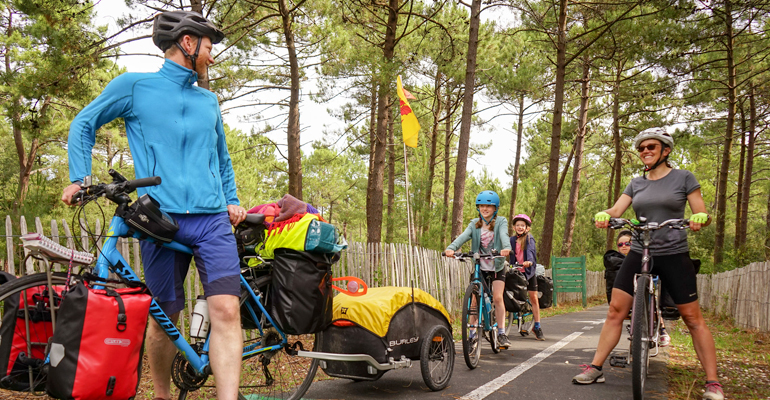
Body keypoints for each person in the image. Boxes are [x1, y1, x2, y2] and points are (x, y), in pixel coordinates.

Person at [61, 11, 245, 400]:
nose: (212, 56)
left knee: (227, 310)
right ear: (189, 43)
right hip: (159, 219)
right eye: (209, 47)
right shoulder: (134, 87)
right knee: (165, 318)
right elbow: (84, 123)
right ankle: (162, 395)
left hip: (211, 219)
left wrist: (231, 200)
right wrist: (80, 177)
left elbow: (221, 158)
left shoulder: (208, 101)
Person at [572, 127, 722, 400]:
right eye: (641, 148)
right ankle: (595, 367)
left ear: (665, 150)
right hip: (640, 251)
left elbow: (700, 210)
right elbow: (617, 210)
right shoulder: (636, 183)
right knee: (616, 310)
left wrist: (700, 218)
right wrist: (603, 215)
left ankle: (712, 382)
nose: (645, 151)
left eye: (651, 147)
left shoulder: (684, 178)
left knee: (692, 318)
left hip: (674, 252)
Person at [445, 191, 512, 349]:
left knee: (497, 298)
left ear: (495, 208)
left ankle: (501, 333)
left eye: (488, 206)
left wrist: (506, 248)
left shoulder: (501, 222)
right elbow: (463, 236)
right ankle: (472, 336)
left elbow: (504, 236)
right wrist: (451, 248)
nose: (485, 208)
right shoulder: (474, 224)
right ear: (478, 207)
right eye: (482, 205)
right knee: (474, 301)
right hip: (479, 266)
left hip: (497, 265)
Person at [604, 230, 671, 347]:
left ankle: (662, 329)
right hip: (627, 294)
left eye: (627, 244)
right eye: (620, 244)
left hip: (645, 287)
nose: (624, 246)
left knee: (652, 300)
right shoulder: (616, 261)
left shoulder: (644, 256)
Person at [509, 214, 544, 341]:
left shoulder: (529, 239)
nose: (520, 227)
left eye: (522, 225)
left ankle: (537, 326)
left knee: (533, 297)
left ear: (527, 228)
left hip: (528, 272)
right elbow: (508, 251)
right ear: (514, 227)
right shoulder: (512, 240)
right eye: (517, 225)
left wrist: (529, 261)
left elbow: (530, 251)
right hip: (516, 271)